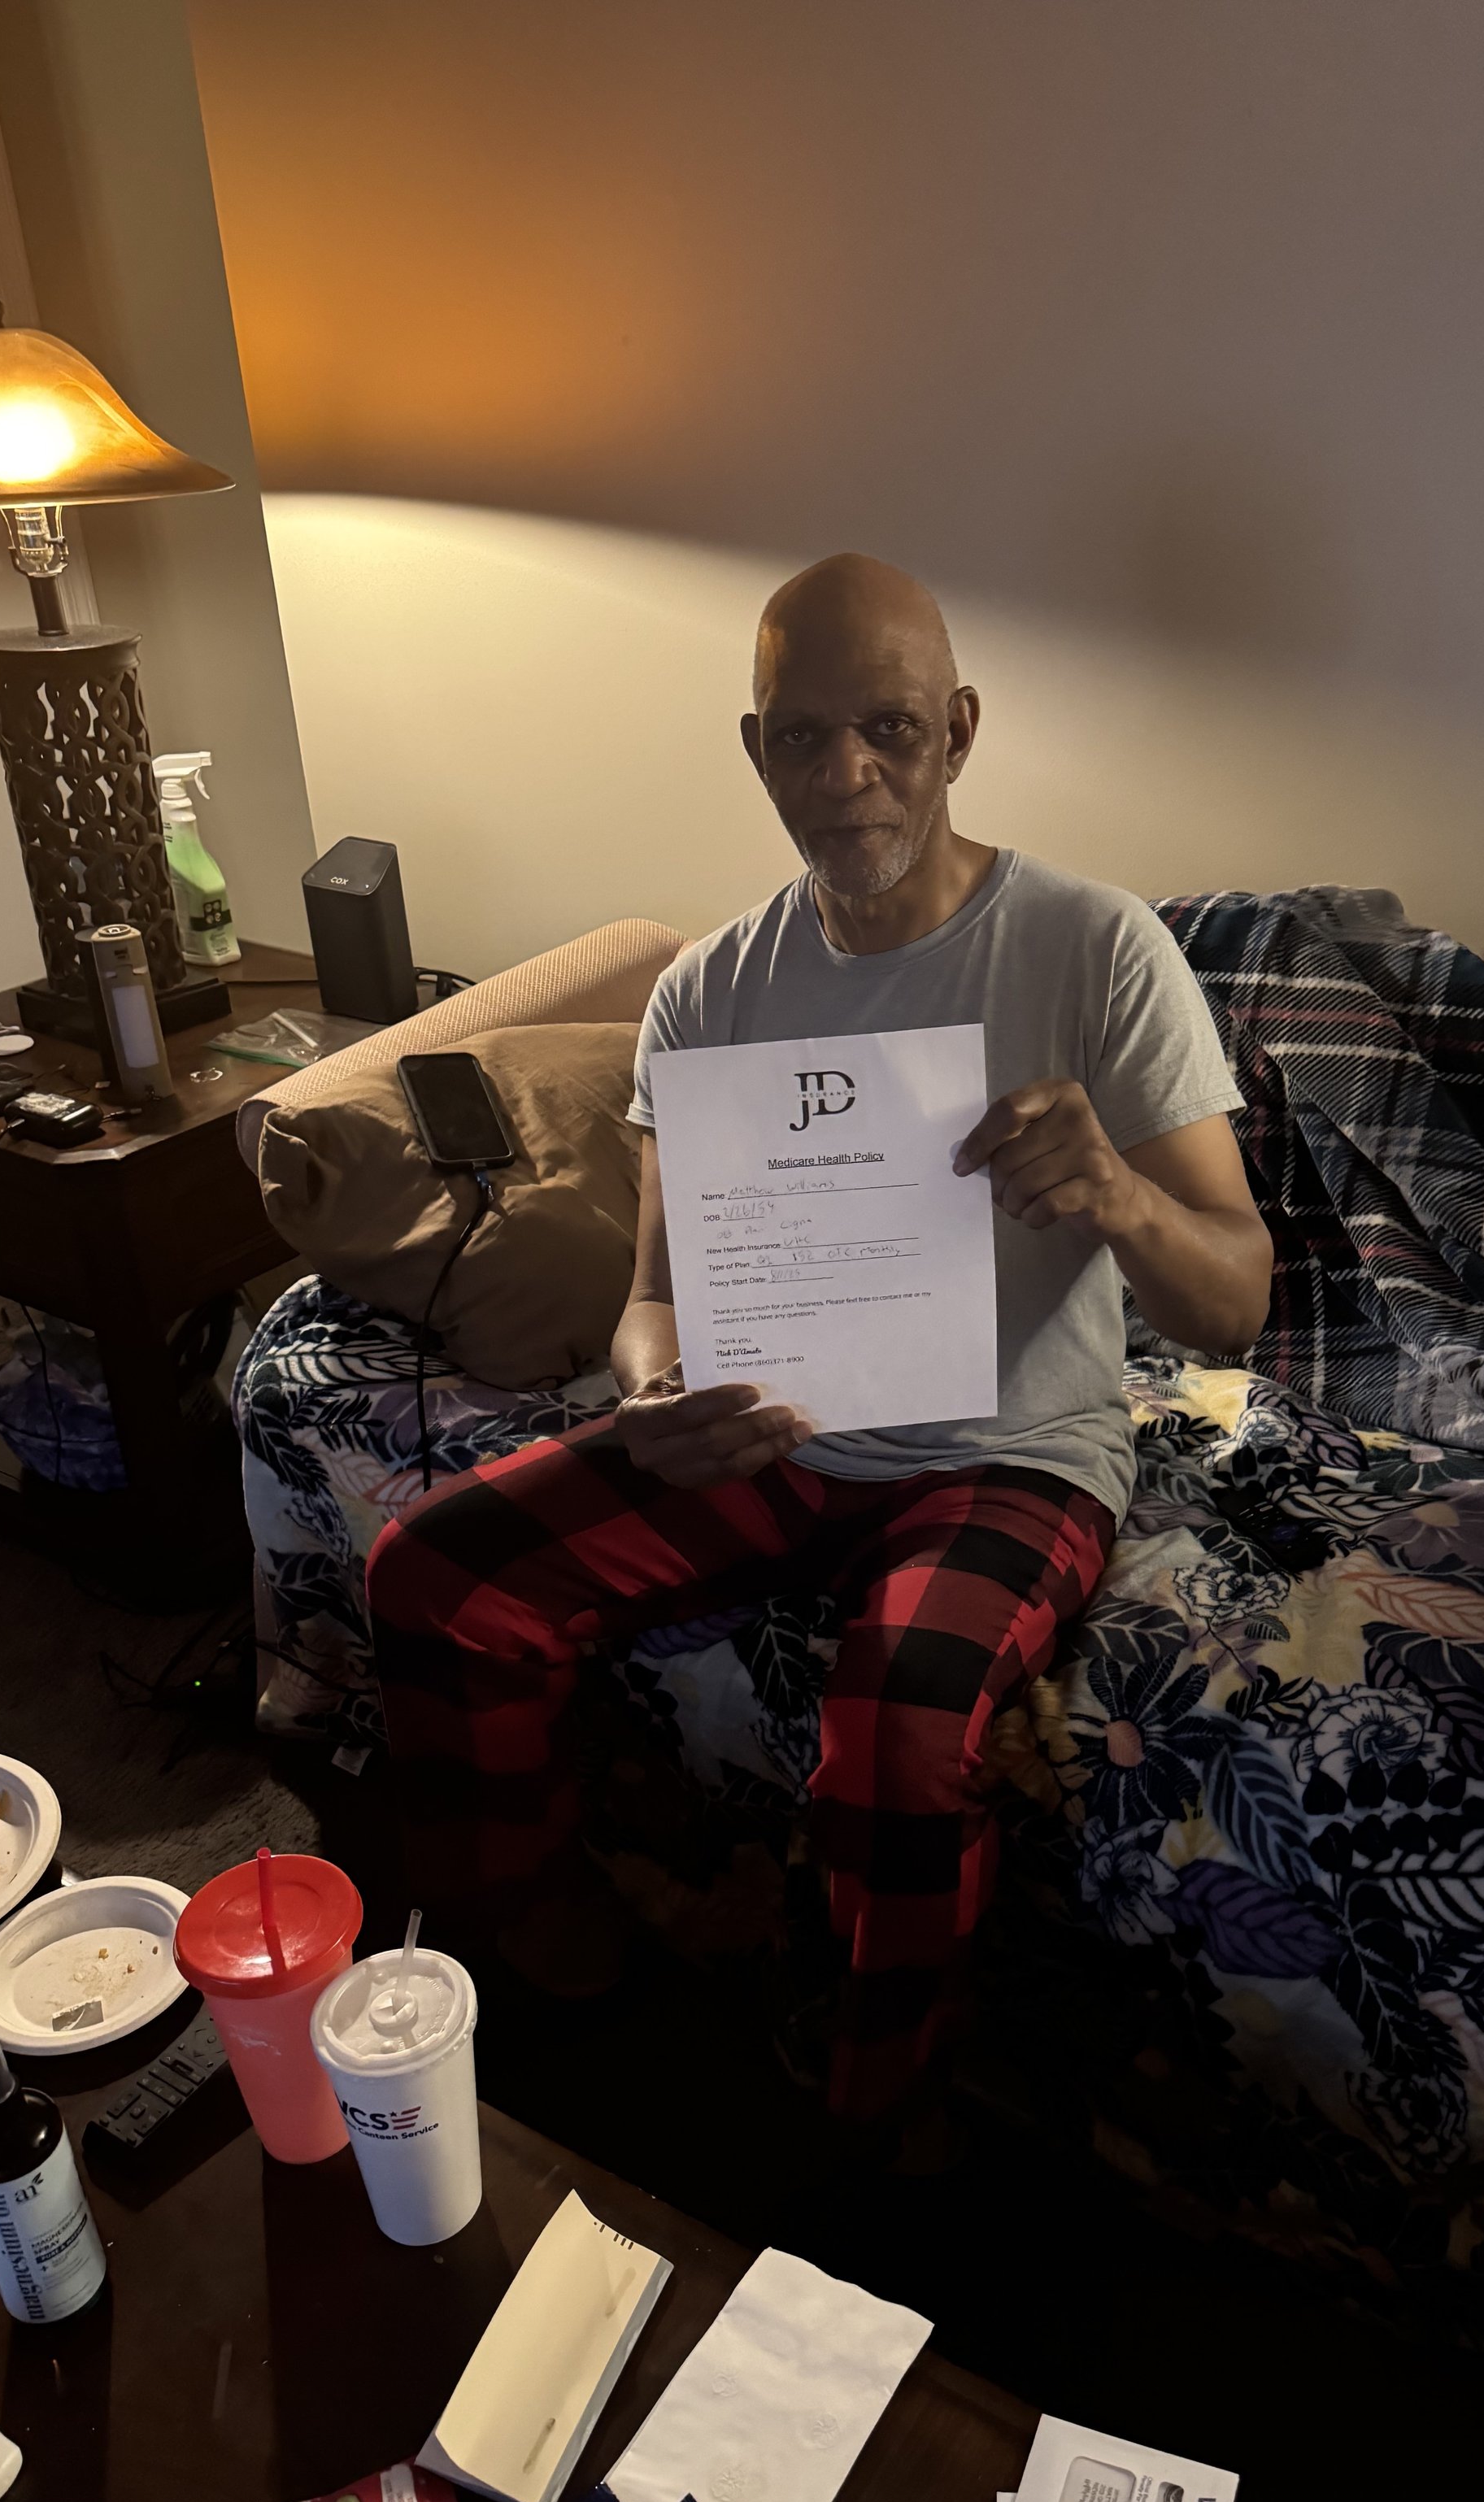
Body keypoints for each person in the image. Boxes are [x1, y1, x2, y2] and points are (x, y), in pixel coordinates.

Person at [367, 553, 1271, 2120]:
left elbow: (1237, 1300)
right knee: (433, 1573)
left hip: (1008, 1452)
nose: (847, 774)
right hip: (774, 1430)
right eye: (803, 735)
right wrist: (654, 1392)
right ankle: (540, 1931)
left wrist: (1122, 1194)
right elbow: (653, 1298)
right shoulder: (707, 992)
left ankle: (885, 2110)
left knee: (899, 1728)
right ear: (756, 748)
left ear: (959, 730)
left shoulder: (1096, 947)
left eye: (891, 728)